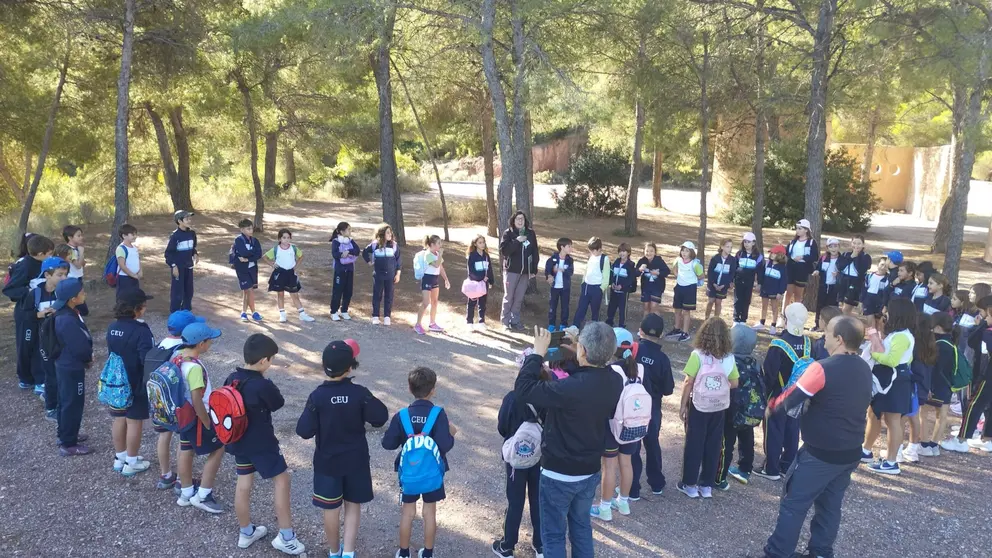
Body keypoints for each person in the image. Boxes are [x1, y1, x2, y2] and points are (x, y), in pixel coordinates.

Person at [762, 315, 873, 558]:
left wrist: (770, 407)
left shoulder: (822, 368)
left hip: (821, 452)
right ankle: (821, 552)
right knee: (830, 506)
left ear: (840, 340)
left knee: (794, 504)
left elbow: (790, 398)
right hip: (850, 451)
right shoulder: (864, 367)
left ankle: (778, 552)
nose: (823, 337)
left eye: (828, 334)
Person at [515, 323, 623, 558]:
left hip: (559, 473)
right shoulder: (615, 380)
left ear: (583, 350)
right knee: (581, 528)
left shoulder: (567, 389)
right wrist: (579, 350)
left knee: (553, 535)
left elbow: (523, 389)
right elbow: (594, 372)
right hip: (589, 470)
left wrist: (536, 354)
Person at [297, 339, 388, 558]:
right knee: (352, 504)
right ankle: (348, 552)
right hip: (355, 461)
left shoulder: (317, 396)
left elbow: (303, 430)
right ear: (350, 367)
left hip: (327, 463)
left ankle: (334, 551)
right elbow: (380, 417)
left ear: (324, 366)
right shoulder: (360, 393)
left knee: (331, 508)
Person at [226, 334, 306, 555]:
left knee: (243, 482)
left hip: (237, 440)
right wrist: (267, 382)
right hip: (262, 444)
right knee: (282, 480)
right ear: (263, 361)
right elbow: (278, 403)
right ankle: (286, 536)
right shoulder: (261, 384)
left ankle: (246, 531)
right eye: (271, 359)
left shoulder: (231, 377)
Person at [382, 367, 456, 558]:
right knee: (429, 513)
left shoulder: (402, 415)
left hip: (409, 473)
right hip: (432, 473)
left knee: (407, 513)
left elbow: (388, 444)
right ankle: (428, 553)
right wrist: (452, 434)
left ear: (409, 388)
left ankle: (404, 552)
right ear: (433, 389)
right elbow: (445, 445)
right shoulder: (438, 414)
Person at [677, 317, 739, 498]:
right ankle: (706, 486)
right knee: (714, 444)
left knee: (694, 443)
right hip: (719, 406)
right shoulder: (729, 357)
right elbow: (734, 382)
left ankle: (689, 484)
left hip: (699, 405)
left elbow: (688, 381)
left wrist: (683, 405)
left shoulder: (697, 355)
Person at [492, 363, 548, 558]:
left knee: (515, 501)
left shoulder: (512, 398)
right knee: (538, 500)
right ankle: (541, 545)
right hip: (540, 457)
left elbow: (502, 427)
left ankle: (507, 546)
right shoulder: (548, 397)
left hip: (515, 459)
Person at [149, 310, 204, 490]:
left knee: (164, 437)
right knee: (183, 442)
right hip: (178, 404)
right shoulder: (182, 348)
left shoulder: (160, 345)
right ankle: (182, 479)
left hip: (159, 403)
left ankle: (166, 475)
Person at [755, 303, 810, 481]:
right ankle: (787, 465)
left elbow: (770, 373)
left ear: (786, 320)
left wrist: (766, 393)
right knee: (793, 429)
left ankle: (770, 468)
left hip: (779, 393)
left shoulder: (779, 344)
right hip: (799, 394)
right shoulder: (808, 342)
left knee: (774, 429)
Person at [591, 328, 642, 521]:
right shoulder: (638, 368)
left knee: (609, 466)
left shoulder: (612, 371)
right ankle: (624, 502)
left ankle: (604, 508)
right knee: (626, 463)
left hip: (613, 425)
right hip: (633, 425)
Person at [175, 321, 226, 513]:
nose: (210, 344)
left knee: (185, 448)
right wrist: (207, 423)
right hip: (197, 417)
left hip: (183, 416)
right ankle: (203, 494)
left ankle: (186, 492)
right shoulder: (194, 368)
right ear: (200, 344)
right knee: (219, 447)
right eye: (209, 341)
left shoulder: (178, 357)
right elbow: (197, 399)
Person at [862, 298, 917, 475]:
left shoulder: (902, 336)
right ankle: (866, 450)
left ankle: (891, 461)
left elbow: (892, 360)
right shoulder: (898, 334)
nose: (885, 314)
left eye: (888, 311)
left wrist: (874, 353)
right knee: (874, 413)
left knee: (893, 420)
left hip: (896, 381)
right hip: (888, 380)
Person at [106, 289, 155, 477]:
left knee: (119, 418)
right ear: (137, 309)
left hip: (117, 381)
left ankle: (120, 458)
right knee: (134, 421)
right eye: (143, 304)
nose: (145, 307)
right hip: (135, 382)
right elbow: (146, 359)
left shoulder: (112, 327)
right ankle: (132, 462)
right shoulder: (141, 330)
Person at [630, 313, 674, 498]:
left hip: (632, 406)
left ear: (640, 330)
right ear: (661, 335)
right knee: (652, 443)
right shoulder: (663, 359)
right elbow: (668, 389)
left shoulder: (634, 350)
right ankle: (657, 483)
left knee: (632, 445)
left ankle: (632, 488)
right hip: (652, 407)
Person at [942, 295, 992, 453]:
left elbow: (973, 341)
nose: (982, 316)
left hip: (986, 376)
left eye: (985, 313)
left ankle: (962, 440)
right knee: (988, 407)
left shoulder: (988, 333)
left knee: (973, 404)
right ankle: (987, 438)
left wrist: (982, 325)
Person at [5, 233, 54, 390]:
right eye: (49, 253)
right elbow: (10, 289)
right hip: (25, 313)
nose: (51, 256)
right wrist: (30, 289)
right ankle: (26, 378)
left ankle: (39, 379)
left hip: (39, 311)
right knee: (26, 345)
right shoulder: (25, 265)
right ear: (40, 254)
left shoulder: (43, 263)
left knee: (39, 344)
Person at [23, 257, 71, 419]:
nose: (64, 278)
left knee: (64, 372)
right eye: (60, 275)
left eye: (65, 274)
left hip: (64, 339)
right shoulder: (35, 294)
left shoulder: (64, 292)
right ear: (48, 275)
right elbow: (25, 316)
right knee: (51, 374)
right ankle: (51, 408)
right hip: (46, 342)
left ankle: (63, 401)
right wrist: (40, 314)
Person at [52, 278, 92, 456]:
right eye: (82, 292)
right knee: (72, 403)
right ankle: (69, 443)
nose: (85, 294)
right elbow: (79, 346)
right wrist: (87, 358)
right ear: (72, 298)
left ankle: (65, 434)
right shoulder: (67, 320)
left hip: (65, 364)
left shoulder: (65, 312)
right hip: (72, 367)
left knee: (65, 400)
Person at [719, 324, 762, 487]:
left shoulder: (729, 362)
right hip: (750, 410)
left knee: (727, 443)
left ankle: (720, 476)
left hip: (731, 410)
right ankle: (745, 469)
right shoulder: (755, 363)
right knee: (747, 438)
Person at [900, 313, 937, 463]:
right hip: (923, 386)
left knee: (901, 417)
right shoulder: (931, 343)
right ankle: (912, 449)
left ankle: (895, 450)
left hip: (912, 384)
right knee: (914, 416)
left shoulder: (914, 343)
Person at [263, 229, 316, 323]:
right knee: (280, 294)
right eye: (284, 237)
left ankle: (302, 314)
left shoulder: (293, 248)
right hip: (280, 273)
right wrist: (272, 264)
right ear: (280, 238)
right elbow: (265, 257)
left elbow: (301, 256)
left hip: (291, 273)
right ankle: (282, 314)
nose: (286, 240)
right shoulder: (276, 249)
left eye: (288, 237)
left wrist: (296, 267)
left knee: (294, 294)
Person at [919, 312, 954, 457]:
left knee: (924, 413)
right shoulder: (951, 343)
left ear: (938, 327)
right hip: (947, 384)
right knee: (942, 415)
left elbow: (934, 368)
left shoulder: (938, 345)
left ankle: (924, 444)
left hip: (934, 385)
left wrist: (928, 387)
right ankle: (935, 444)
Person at [500, 211, 539, 331]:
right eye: (518, 219)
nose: (520, 221)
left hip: (525, 272)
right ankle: (505, 322)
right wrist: (517, 241)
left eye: (522, 219)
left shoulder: (530, 233)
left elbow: (535, 252)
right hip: (511, 271)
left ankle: (515, 321)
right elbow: (505, 251)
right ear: (513, 221)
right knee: (509, 297)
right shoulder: (508, 233)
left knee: (519, 298)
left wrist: (533, 269)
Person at [780, 219, 819, 327]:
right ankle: (783, 317)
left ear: (806, 230)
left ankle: (795, 318)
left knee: (798, 294)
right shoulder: (793, 241)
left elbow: (814, 256)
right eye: (797, 228)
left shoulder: (811, 242)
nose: (797, 231)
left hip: (802, 269)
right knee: (788, 293)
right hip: (791, 268)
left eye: (800, 228)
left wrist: (802, 257)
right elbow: (787, 253)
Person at [362, 223, 401, 325]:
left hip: (390, 276)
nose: (390, 234)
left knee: (389, 295)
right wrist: (369, 262)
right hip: (378, 275)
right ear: (382, 234)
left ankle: (387, 316)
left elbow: (398, 261)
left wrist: (398, 274)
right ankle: (375, 316)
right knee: (377, 295)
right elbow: (364, 252)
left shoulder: (394, 245)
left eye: (390, 232)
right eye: (388, 232)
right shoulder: (375, 245)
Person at [666, 241, 705, 342]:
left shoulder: (695, 264)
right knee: (677, 309)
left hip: (690, 289)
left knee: (686, 311)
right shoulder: (678, 260)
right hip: (679, 287)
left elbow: (701, 275)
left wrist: (693, 279)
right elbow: (674, 269)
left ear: (691, 252)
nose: (684, 253)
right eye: (683, 250)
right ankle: (677, 328)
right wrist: (678, 275)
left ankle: (685, 332)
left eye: (687, 251)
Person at [414, 235, 451, 335]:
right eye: (438, 243)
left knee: (435, 301)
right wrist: (440, 255)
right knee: (426, 302)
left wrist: (446, 279)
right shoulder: (428, 254)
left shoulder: (437, 254)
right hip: (427, 279)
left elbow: (441, 268)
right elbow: (436, 265)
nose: (440, 245)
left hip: (435, 279)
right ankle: (418, 324)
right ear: (432, 244)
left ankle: (432, 323)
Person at [571, 237, 610, 329]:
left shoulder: (604, 259)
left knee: (595, 310)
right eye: (590, 250)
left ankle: (594, 329)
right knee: (581, 308)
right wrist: (583, 283)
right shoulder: (591, 257)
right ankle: (574, 327)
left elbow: (606, 275)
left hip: (597, 288)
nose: (592, 253)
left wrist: (602, 288)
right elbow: (587, 270)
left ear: (599, 249)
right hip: (587, 286)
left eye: (594, 251)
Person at [165, 210, 198, 312]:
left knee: (189, 291)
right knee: (177, 292)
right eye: (187, 219)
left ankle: (186, 311)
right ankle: (175, 313)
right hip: (178, 268)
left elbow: (192, 247)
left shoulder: (192, 233)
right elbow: (168, 254)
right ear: (179, 221)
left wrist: (195, 253)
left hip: (189, 266)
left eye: (190, 218)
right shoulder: (175, 236)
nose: (189, 220)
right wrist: (173, 266)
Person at [232, 219, 264, 322]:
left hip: (253, 268)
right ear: (242, 229)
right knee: (249, 290)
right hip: (242, 269)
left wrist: (248, 258)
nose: (251, 230)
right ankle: (254, 312)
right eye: (248, 228)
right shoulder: (238, 240)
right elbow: (243, 252)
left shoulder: (255, 240)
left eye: (251, 228)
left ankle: (243, 312)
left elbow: (259, 254)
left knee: (247, 291)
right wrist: (252, 253)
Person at [330, 221, 361, 321]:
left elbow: (357, 250)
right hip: (340, 270)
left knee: (348, 291)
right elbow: (335, 254)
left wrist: (349, 252)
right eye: (348, 229)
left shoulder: (351, 241)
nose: (350, 231)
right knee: (338, 291)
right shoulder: (336, 241)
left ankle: (344, 310)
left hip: (350, 269)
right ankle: (334, 311)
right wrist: (342, 254)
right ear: (342, 232)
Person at [755, 245, 788, 334]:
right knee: (764, 306)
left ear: (780, 255)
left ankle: (773, 325)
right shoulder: (767, 263)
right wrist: (760, 283)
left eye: (775, 253)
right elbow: (761, 275)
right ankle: (762, 322)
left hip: (775, 290)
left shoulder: (782, 268)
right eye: (771, 253)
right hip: (765, 288)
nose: (772, 254)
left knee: (774, 308)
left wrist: (780, 292)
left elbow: (783, 281)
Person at [465, 234, 495, 330]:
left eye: (483, 242)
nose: (482, 244)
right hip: (474, 283)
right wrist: (480, 278)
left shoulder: (486, 256)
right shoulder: (472, 256)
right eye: (480, 242)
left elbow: (489, 269)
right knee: (472, 302)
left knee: (482, 303)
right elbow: (471, 271)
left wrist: (490, 280)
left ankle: (481, 321)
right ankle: (469, 322)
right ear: (475, 244)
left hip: (484, 284)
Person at [605, 243, 638, 328]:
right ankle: (609, 320)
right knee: (612, 305)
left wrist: (622, 286)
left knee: (622, 308)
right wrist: (611, 283)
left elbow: (630, 279)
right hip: (614, 290)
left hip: (623, 291)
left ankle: (622, 324)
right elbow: (612, 274)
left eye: (624, 251)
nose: (621, 253)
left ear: (628, 253)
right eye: (620, 251)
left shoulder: (630, 265)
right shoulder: (616, 262)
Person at [733, 232, 762, 326]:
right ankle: (736, 319)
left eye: (748, 242)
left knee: (746, 300)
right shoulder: (739, 254)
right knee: (738, 300)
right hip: (738, 281)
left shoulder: (758, 256)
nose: (746, 244)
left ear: (753, 243)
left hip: (749, 282)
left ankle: (743, 320)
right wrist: (731, 280)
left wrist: (759, 283)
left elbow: (760, 271)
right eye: (745, 241)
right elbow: (734, 267)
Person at [812, 237, 841, 330]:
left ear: (838, 247)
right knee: (820, 305)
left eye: (835, 246)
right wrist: (817, 271)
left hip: (835, 287)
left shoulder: (842, 259)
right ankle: (818, 325)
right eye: (831, 246)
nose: (833, 248)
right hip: (823, 286)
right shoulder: (824, 258)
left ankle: (831, 326)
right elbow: (819, 268)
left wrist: (838, 274)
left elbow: (844, 272)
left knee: (833, 306)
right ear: (827, 248)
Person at [837, 235, 870, 315]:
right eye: (854, 243)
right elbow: (839, 266)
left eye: (859, 243)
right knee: (839, 308)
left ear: (863, 245)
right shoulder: (846, 254)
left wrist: (856, 257)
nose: (856, 246)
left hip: (855, 283)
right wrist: (851, 257)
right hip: (843, 281)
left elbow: (861, 270)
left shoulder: (866, 257)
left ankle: (847, 325)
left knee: (846, 309)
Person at [546, 238, 574, 331]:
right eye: (569, 246)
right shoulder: (553, 258)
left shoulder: (570, 260)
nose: (571, 248)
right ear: (562, 247)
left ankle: (563, 325)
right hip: (555, 287)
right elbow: (548, 270)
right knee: (552, 306)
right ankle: (551, 325)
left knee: (565, 307)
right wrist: (550, 275)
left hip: (565, 288)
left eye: (571, 246)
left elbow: (570, 272)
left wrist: (563, 270)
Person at [705, 238, 737, 320]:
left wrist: (724, 285)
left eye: (731, 247)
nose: (729, 249)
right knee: (711, 301)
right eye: (727, 247)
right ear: (722, 247)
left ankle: (716, 320)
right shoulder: (715, 258)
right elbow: (710, 272)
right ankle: (706, 319)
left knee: (718, 302)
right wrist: (713, 283)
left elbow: (732, 274)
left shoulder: (732, 260)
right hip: (713, 284)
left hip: (723, 285)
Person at [636, 242, 669, 318]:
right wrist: (640, 269)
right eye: (647, 251)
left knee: (654, 306)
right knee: (646, 306)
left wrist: (658, 273)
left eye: (651, 251)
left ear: (655, 252)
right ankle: (645, 327)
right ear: (644, 251)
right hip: (645, 287)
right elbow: (635, 273)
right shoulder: (642, 261)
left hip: (657, 287)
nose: (649, 253)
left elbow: (667, 271)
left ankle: (657, 326)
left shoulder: (659, 261)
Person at [861, 258, 890, 329]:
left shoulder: (888, 278)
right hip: (869, 301)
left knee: (878, 323)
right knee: (870, 323)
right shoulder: (869, 276)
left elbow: (887, 293)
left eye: (886, 266)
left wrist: (885, 305)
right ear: (878, 265)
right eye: (882, 264)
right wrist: (861, 302)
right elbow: (864, 289)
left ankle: (878, 338)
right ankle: (871, 338)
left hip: (880, 302)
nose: (883, 267)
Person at [115, 223, 142, 301]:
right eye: (132, 234)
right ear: (124, 236)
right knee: (124, 298)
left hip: (135, 278)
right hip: (124, 278)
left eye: (135, 234)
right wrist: (132, 275)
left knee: (134, 297)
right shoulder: (121, 248)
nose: (135, 236)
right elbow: (122, 265)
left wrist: (140, 271)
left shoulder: (134, 248)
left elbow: (138, 260)